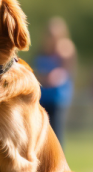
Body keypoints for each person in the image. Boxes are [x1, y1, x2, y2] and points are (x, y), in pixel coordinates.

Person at [33, 17, 77, 148]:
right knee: (41, 132)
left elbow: (65, 72)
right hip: (42, 97)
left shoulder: (65, 50)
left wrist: (50, 77)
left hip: (57, 98)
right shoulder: (42, 51)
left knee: (56, 132)